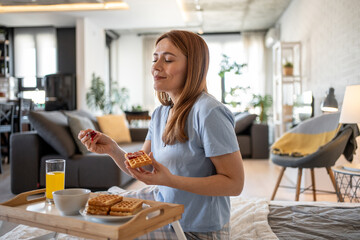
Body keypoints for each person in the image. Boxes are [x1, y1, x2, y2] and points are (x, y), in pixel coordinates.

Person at [79, 30, 244, 240]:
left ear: (192, 67)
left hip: (196, 229)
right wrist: (112, 147)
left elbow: (235, 184)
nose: (156, 67)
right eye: (155, 59)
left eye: (167, 60)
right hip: (164, 212)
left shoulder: (209, 112)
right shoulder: (160, 113)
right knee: (94, 210)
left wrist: (171, 180)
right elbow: (144, 167)